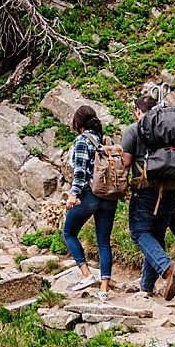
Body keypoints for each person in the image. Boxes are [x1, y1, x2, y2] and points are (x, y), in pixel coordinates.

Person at [115, 91, 175, 299]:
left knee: (139, 232)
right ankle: (146, 287)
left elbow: (127, 163)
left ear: (138, 111)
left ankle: (167, 267)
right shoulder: (168, 128)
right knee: (156, 235)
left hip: (146, 190)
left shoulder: (133, 130)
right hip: (172, 189)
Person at [62, 105, 117, 294]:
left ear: (78, 122)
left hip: (90, 195)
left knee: (69, 232)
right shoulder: (106, 140)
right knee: (103, 241)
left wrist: (73, 194)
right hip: (109, 196)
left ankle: (86, 275)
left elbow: (80, 172)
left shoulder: (82, 141)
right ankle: (104, 289)